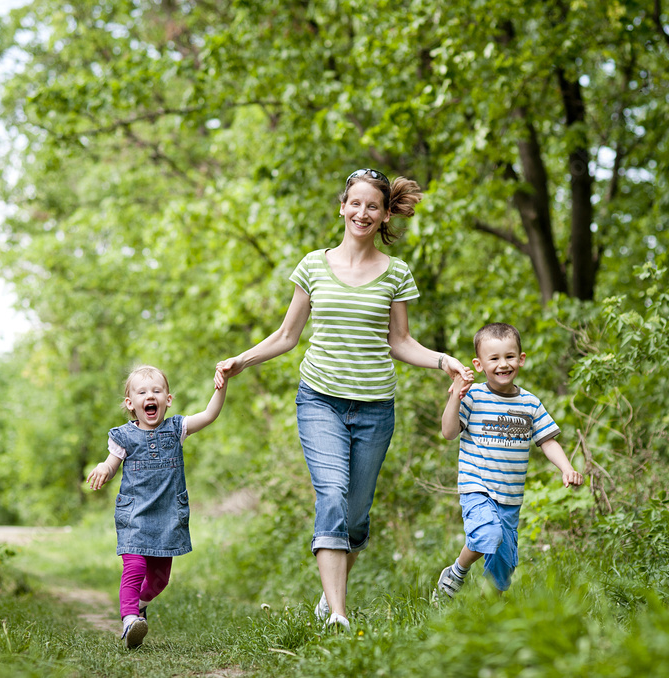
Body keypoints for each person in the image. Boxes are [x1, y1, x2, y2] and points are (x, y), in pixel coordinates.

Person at [214, 168, 473, 630]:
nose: (362, 212)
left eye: (372, 206)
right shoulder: (313, 265)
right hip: (320, 402)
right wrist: (241, 360)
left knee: (354, 517)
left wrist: (442, 361)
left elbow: (401, 342)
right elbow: (287, 335)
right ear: (342, 206)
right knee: (331, 496)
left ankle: (327, 596)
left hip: (375, 408)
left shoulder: (396, 273)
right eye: (355, 203)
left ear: (385, 213)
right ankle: (338, 614)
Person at [436, 322, 583, 597]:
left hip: (510, 496)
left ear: (521, 359)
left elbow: (547, 440)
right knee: (487, 534)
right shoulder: (474, 397)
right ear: (479, 365)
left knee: (503, 567)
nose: (503, 364)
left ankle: (491, 611)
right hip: (476, 487)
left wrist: (567, 468)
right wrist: (456, 395)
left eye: (509, 357)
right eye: (494, 359)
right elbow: (448, 432)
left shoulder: (530, 403)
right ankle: (457, 571)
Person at [87, 365, 227, 649]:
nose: (150, 396)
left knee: (160, 580)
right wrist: (103, 467)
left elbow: (209, 415)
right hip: (134, 516)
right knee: (135, 567)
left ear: (168, 399)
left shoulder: (177, 429)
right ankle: (129, 620)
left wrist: (221, 387)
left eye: (156, 391)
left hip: (167, 518)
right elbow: (112, 465)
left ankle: (138, 605)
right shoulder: (123, 436)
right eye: (142, 392)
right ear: (131, 403)